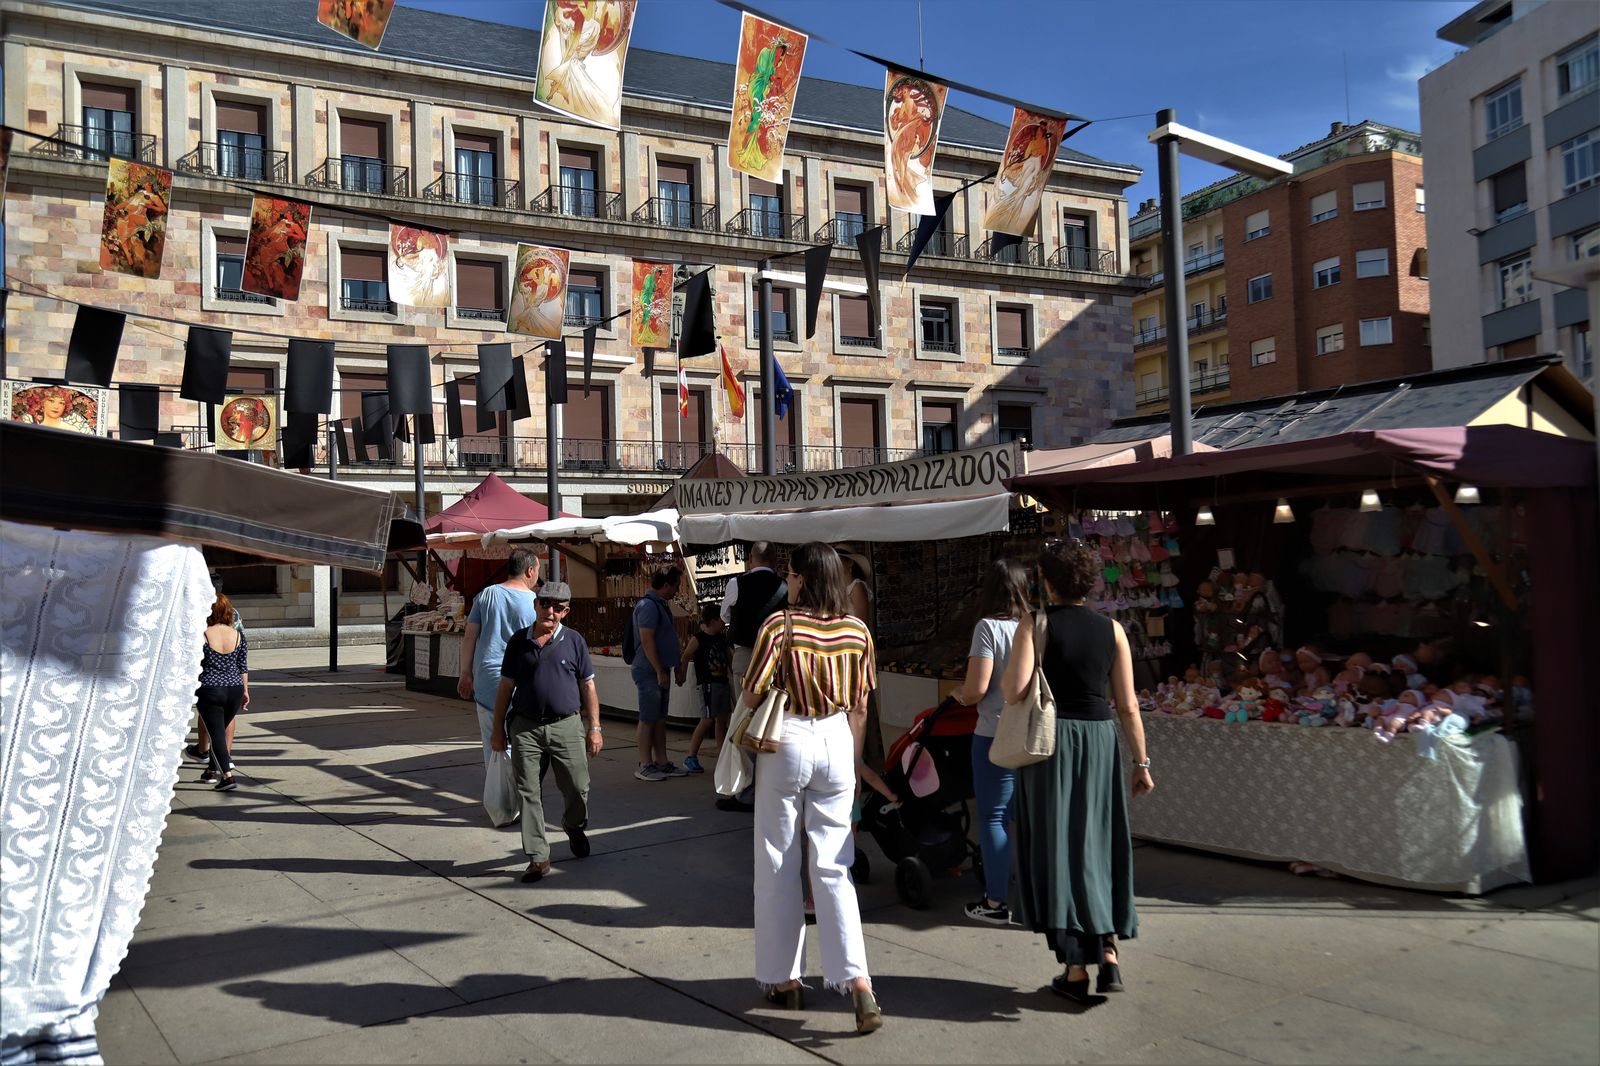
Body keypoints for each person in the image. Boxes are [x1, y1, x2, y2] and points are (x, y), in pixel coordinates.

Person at [1002, 539, 1153, 1003]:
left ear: (1046, 583)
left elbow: (1012, 690)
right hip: (1101, 740)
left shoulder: (1035, 623)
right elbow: (1127, 704)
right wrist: (1141, 761)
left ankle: (1075, 970)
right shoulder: (1113, 630)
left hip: (1051, 743)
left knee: (1058, 847)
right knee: (1099, 843)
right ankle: (1108, 952)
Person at [742, 542, 882, 1035]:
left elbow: (752, 690)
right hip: (839, 738)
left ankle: (785, 978)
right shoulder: (858, 630)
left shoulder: (780, 626)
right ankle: (858, 983)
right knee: (833, 865)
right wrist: (853, 756)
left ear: (800, 578)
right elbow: (861, 706)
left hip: (790, 737)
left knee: (777, 858)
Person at [489, 581, 602, 883]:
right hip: (525, 728)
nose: (550, 611)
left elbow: (588, 686)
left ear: (566, 611)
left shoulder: (575, 641)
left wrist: (594, 728)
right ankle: (538, 857)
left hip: (567, 725)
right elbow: (505, 688)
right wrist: (498, 729)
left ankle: (574, 826)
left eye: (558, 607)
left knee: (578, 787)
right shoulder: (517, 642)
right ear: (536, 604)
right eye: (545, 604)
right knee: (528, 792)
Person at [950, 557, 1029, 925]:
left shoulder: (988, 629)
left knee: (994, 818)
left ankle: (996, 902)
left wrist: (959, 695)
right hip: (1033, 735)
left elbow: (977, 689)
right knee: (1025, 818)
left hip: (994, 733)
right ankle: (1033, 893)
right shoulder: (1037, 625)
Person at [458, 548, 542, 824]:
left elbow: (470, 637)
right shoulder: (534, 602)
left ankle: (500, 803)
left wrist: (465, 673)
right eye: (538, 571)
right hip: (518, 683)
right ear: (530, 570)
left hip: (486, 680)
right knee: (520, 743)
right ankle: (516, 803)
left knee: (492, 744)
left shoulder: (487, 595)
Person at [719, 543, 786, 810]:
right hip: (780, 659)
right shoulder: (783, 585)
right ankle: (772, 785)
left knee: (744, 722)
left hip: (748, 655)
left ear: (750, 560)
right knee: (776, 721)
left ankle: (747, 790)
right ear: (774, 561)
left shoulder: (737, 583)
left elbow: (726, 615)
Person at [631, 565, 687, 781]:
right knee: (648, 717)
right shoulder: (648, 606)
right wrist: (658, 670)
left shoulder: (660, 605)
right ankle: (645, 763)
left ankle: (661, 761)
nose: (677, 591)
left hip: (659, 669)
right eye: (675, 587)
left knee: (659, 717)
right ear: (665, 585)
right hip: (649, 670)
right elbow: (647, 640)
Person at [185, 571, 245, 769]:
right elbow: (242, 659)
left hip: (210, 682)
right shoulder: (231, 612)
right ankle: (222, 757)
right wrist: (245, 688)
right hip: (233, 681)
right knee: (227, 719)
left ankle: (209, 753)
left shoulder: (202, 613)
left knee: (210, 718)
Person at [194, 593, 249, 792]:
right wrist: (245, 691)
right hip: (234, 688)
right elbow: (242, 666)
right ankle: (210, 771)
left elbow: (193, 663)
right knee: (219, 731)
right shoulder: (238, 635)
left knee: (216, 734)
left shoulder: (202, 634)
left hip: (210, 689)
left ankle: (227, 777)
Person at [677, 604, 732, 775]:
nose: (724, 623)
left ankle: (722, 755)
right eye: (721, 620)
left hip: (722, 682)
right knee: (707, 719)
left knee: (721, 720)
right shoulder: (699, 638)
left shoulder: (722, 638)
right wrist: (682, 675)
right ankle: (690, 756)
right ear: (713, 621)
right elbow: (686, 656)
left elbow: (730, 659)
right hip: (707, 684)